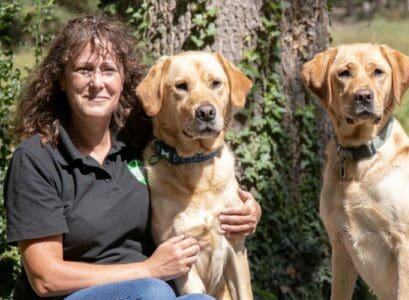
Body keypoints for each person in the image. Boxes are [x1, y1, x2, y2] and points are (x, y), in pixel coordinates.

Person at [3, 15, 262, 300]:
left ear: (123, 79)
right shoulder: (37, 159)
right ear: (62, 80)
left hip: (150, 288)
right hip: (80, 294)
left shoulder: (137, 149)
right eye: (84, 70)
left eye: (109, 70)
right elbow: (46, 278)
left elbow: (192, 206)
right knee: (152, 292)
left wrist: (248, 213)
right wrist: (148, 269)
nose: (97, 82)